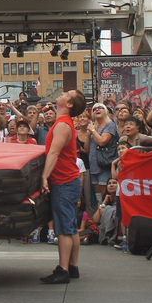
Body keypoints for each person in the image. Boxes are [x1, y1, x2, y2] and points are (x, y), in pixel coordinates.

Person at [38, 88, 88, 285]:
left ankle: (63, 269)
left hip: (63, 181)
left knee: (64, 228)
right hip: (68, 180)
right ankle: (72, 266)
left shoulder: (62, 125)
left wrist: (44, 176)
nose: (62, 93)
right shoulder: (64, 123)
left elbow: (54, 153)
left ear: (69, 105)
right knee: (70, 227)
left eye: (67, 94)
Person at [86, 103, 119, 200]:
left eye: (100, 108)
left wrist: (92, 131)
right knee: (97, 195)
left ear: (106, 112)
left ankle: (105, 212)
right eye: (95, 108)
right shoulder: (93, 126)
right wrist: (88, 135)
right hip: (93, 165)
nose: (97, 110)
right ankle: (99, 211)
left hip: (104, 164)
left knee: (105, 192)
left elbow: (102, 142)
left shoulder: (110, 125)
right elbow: (87, 148)